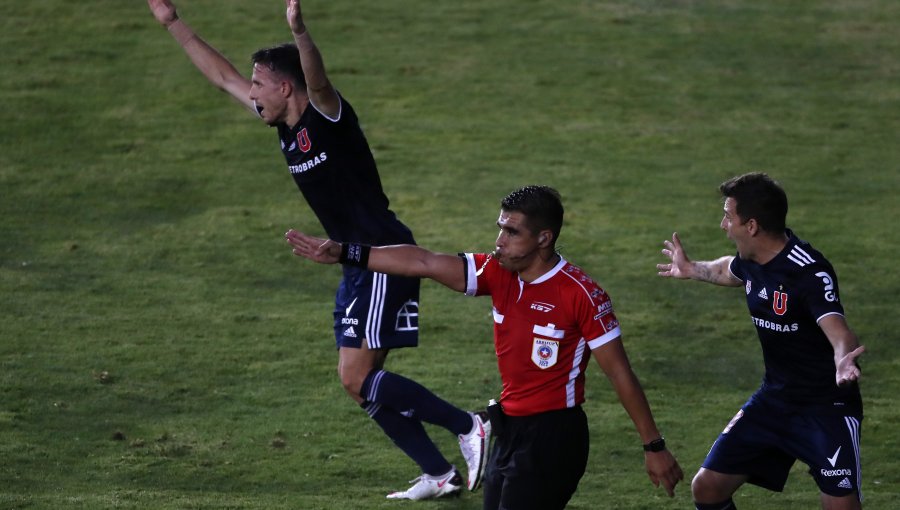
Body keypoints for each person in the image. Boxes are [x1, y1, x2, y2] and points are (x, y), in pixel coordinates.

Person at [146, 0, 490, 499]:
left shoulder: (326, 117)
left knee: (356, 376)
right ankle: (439, 474)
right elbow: (221, 77)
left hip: (382, 256)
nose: (252, 91)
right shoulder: (283, 124)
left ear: (286, 87)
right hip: (353, 261)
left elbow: (320, 82)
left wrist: (300, 32)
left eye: (259, 83)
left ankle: (468, 426)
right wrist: (174, 24)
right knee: (357, 382)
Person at [286, 185, 684, 509]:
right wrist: (345, 252)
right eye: (500, 228)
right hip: (508, 430)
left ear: (543, 238)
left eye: (512, 233)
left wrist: (654, 446)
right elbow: (423, 262)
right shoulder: (497, 273)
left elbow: (619, 373)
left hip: (554, 438)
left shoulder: (581, 294)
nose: (499, 241)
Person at [657, 172, 865, 510]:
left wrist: (843, 358)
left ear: (751, 226)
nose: (723, 224)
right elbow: (729, 270)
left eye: (728, 216)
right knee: (707, 488)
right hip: (774, 401)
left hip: (825, 408)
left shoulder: (808, 271)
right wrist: (692, 268)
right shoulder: (752, 260)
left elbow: (837, 329)